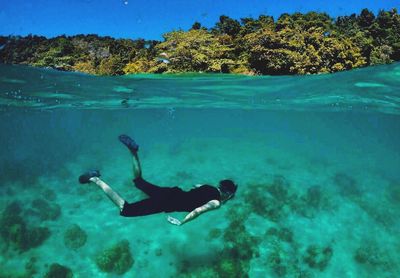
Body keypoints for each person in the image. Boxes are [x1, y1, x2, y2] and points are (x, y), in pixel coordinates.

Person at [79, 135, 237, 226]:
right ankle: (95, 179)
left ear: (219, 185)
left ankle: (133, 152)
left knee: (138, 181)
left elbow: (196, 186)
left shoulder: (208, 186)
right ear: (228, 195)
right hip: (167, 202)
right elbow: (198, 211)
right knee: (125, 210)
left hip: (171, 192)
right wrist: (181, 222)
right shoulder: (216, 203)